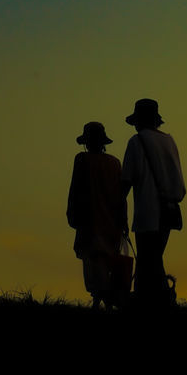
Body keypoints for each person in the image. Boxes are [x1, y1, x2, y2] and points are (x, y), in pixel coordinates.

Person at [121, 98, 186, 306]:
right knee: (153, 259)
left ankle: (156, 301)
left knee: (148, 261)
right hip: (168, 211)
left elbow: (126, 180)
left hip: (147, 212)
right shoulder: (170, 141)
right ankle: (156, 300)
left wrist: (116, 208)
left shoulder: (136, 142)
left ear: (138, 120)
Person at [66, 122, 129, 309]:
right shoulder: (114, 163)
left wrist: (72, 215)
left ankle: (101, 299)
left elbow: (75, 191)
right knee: (109, 261)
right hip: (112, 221)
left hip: (90, 221)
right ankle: (106, 300)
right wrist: (123, 220)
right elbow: (121, 196)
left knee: (94, 262)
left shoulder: (82, 160)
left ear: (87, 142)